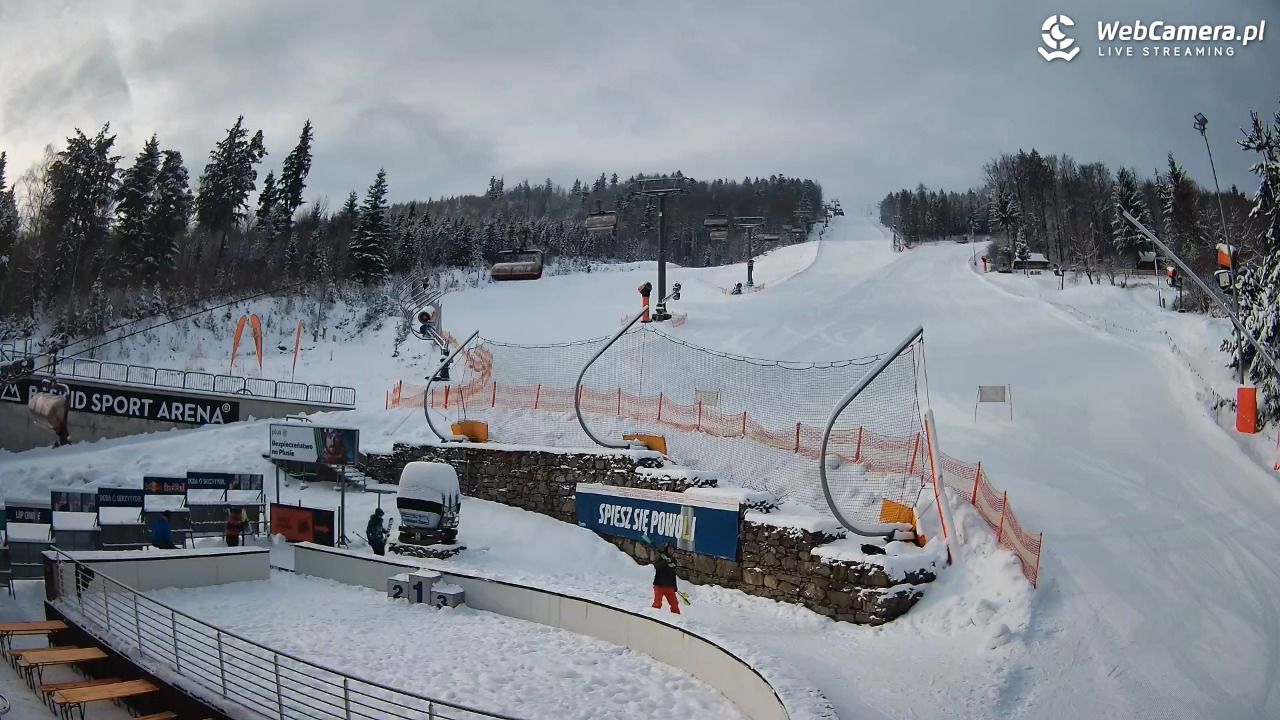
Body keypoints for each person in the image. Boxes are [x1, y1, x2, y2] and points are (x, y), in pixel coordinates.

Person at [650, 542, 680, 615]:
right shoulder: (661, 557)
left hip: (669, 586)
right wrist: (664, 562)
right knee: (657, 603)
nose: (671, 551)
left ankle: (676, 618)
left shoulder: (673, 561)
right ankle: (653, 616)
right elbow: (657, 566)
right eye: (669, 549)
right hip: (659, 585)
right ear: (666, 549)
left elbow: (673, 574)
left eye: (672, 549)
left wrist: (675, 586)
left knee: (674, 603)